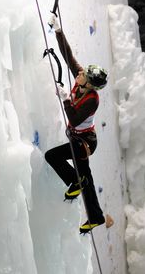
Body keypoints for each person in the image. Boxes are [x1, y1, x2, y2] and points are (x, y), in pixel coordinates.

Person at [45, 15, 111, 234]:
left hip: (84, 143)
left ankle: (75, 184)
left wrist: (65, 99)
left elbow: (74, 119)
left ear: (90, 84)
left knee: (53, 157)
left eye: (84, 74)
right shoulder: (82, 81)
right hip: (79, 140)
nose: (80, 73)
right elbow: (68, 56)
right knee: (86, 179)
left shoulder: (92, 100)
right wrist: (58, 31)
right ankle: (95, 216)